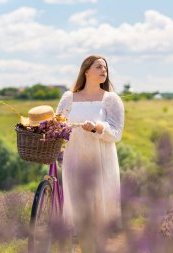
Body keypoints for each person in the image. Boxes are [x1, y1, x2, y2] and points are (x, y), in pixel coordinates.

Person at [56, 54, 125, 250]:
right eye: (98, 67)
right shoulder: (68, 98)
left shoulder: (111, 99)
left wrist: (97, 128)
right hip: (74, 159)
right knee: (79, 214)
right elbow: (57, 126)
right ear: (86, 71)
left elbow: (116, 133)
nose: (104, 70)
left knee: (98, 217)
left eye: (105, 68)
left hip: (101, 162)